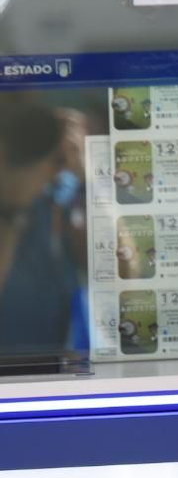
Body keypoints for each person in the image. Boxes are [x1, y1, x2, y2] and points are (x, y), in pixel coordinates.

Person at [0, 97, 87, 357]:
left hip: (55, 367)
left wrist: (86, 180)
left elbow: (125, 269)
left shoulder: (64, 193)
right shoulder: (16, 197)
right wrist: (14, 203)